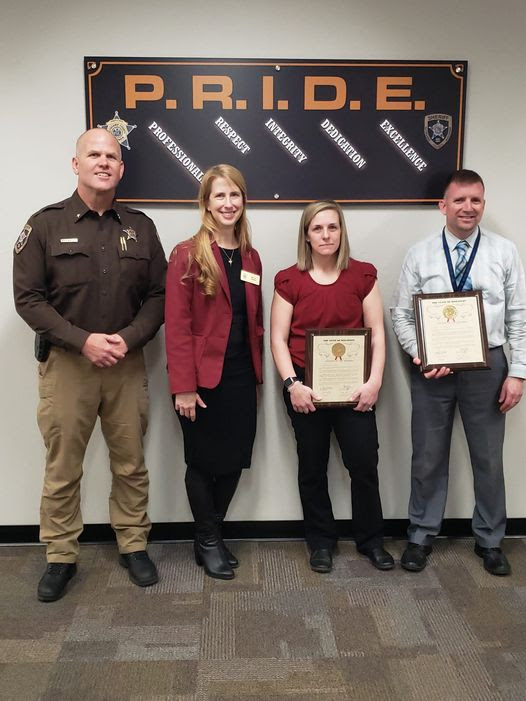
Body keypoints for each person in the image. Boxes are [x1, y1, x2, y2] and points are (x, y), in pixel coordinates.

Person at [13, 128, 166, 601]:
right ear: (75, 164)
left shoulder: (140, 227)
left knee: (131, 462)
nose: (103, 162)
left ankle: (133, 543)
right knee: (62, 466)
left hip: (124, 364)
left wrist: (126, 338)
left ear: (121, 169)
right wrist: (84, 342)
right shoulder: (44, 226)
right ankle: (60, 555)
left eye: (112, 156)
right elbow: (29, 300)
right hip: (67, 367)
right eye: (94, 154)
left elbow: (160, 296)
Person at [391, 169, 526, 576]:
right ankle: (420, 534)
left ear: (483, 204)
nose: (469, 208)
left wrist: (517, 372)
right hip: (433, 371)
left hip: (489, 366)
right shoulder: (420, 253)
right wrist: (423, 354)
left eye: (476, 200)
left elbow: (519, 315)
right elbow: (401, 315)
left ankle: (490, 539)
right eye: (460, 200)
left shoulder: (504, 251)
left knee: (488, 457)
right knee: (428, 456)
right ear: (443, 205)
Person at [270, 200, 393, 573]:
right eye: (318, 228)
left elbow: (377, 337)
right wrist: (292, 384)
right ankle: (320, 542)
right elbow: (277, 339)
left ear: (342, 232)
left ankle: (371, 540)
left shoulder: (363, 276)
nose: (326, 235)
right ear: (306, 235)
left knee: (363, 464)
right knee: (312, 466)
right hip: (305, 389)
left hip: (355, 388)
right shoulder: (289, 280)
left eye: (333, 227)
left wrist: (374, 383)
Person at [165, 164, 263, 580]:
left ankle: (211, 534)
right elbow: (177, 325)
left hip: (241, 374)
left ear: (243, 200)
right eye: (219, 196)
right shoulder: (187, 253)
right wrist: (183, 388)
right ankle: (208, 540)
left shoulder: (250, 255)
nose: (228, 203)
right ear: (206, 203)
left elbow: (252, 318)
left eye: (235, 195)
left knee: (235, 459)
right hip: (202, 379)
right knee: (204, 461)